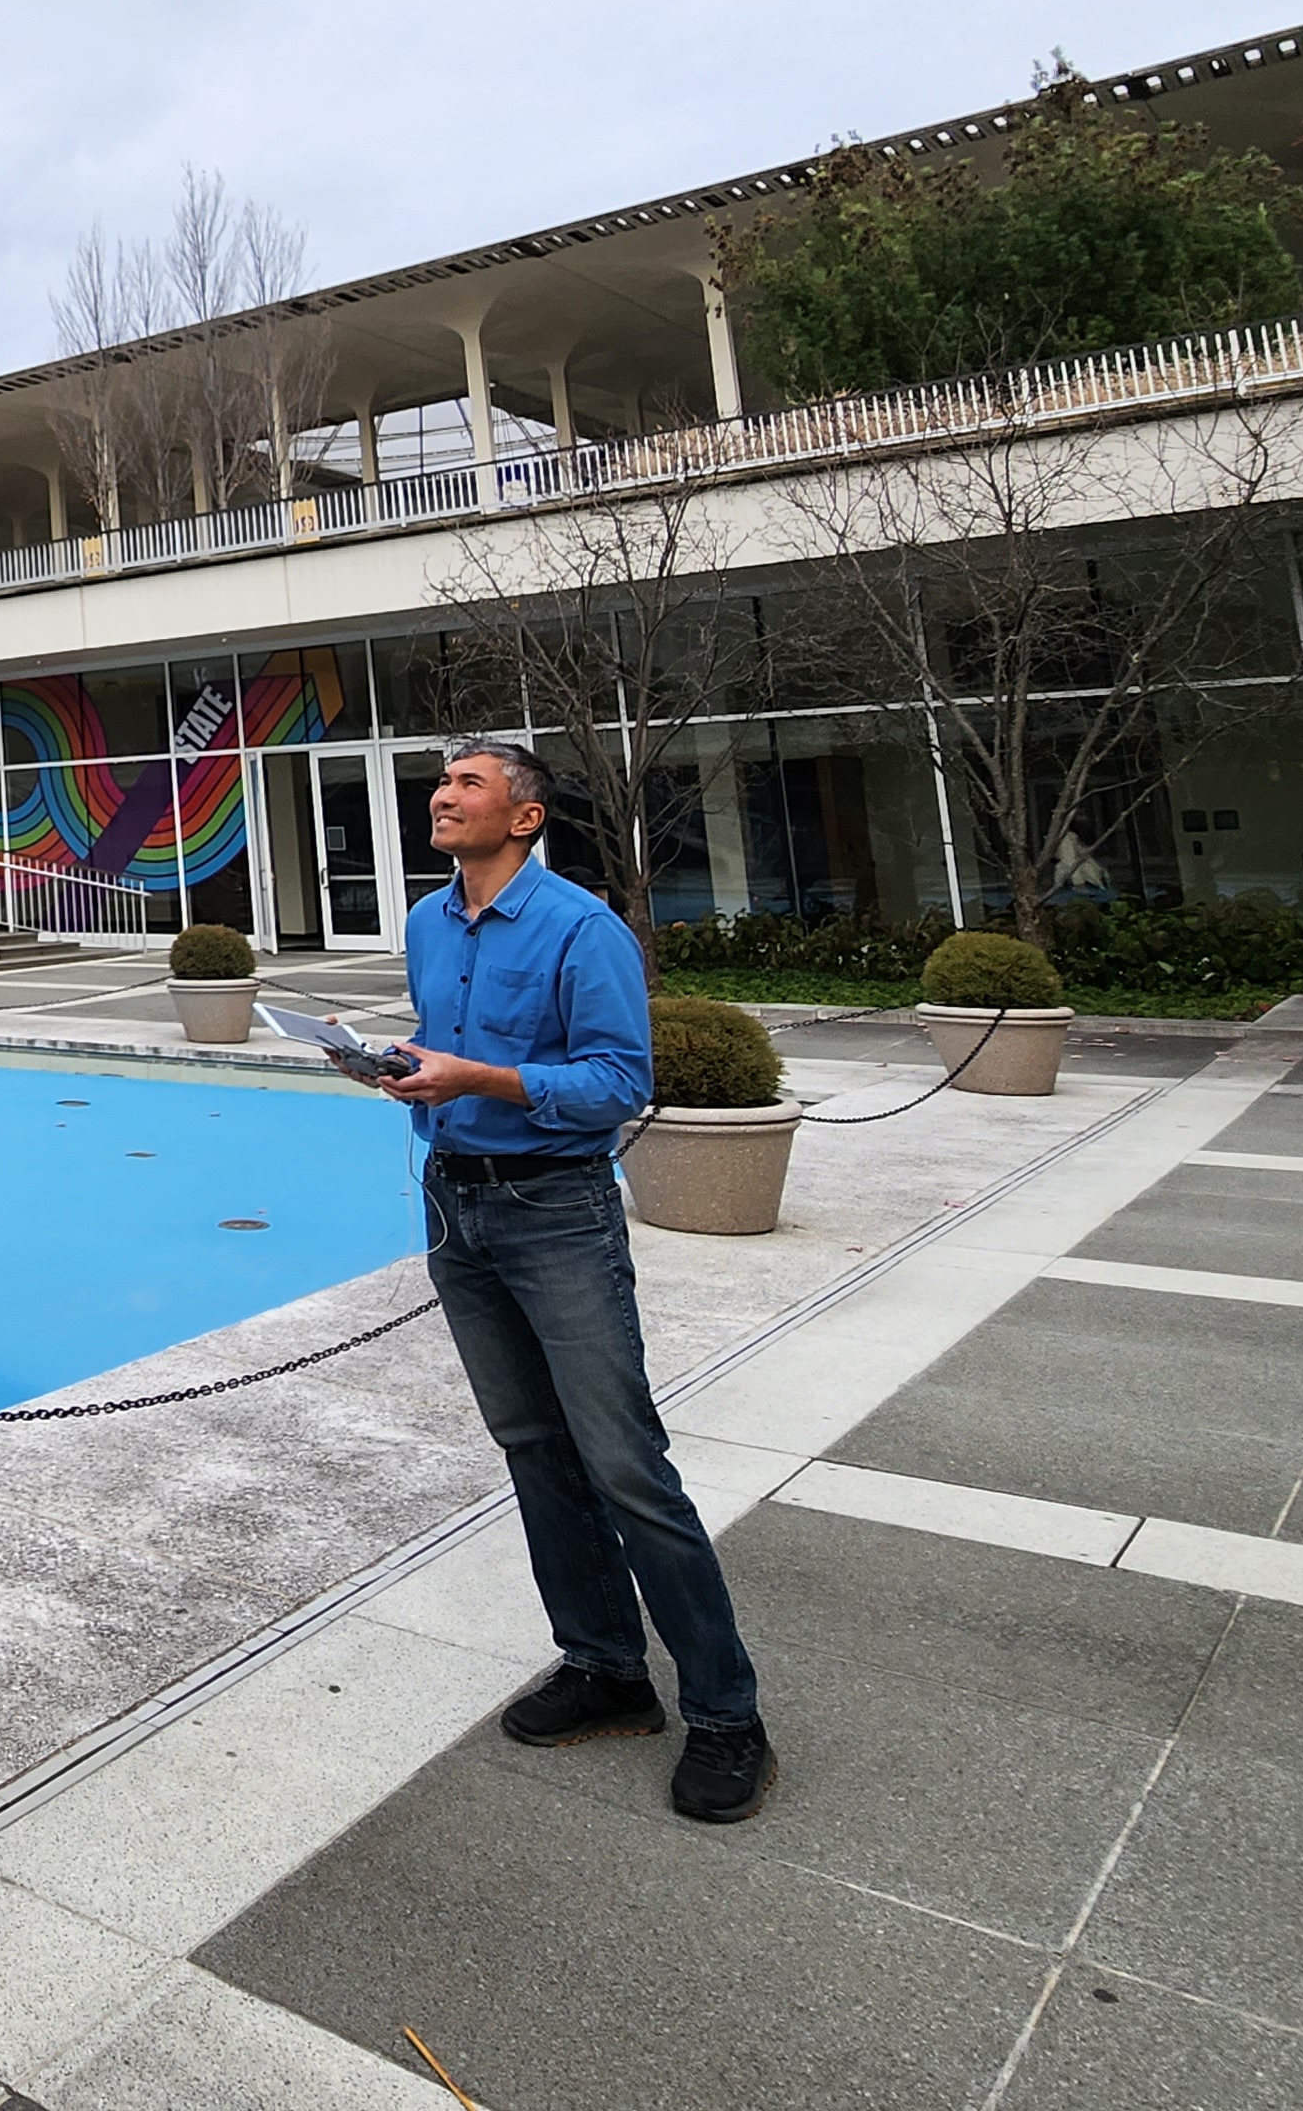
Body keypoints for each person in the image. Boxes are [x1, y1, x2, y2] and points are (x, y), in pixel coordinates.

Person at [376, 738, 774, 1824]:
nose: (441, 795)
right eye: (441, 782)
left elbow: (617, 1082)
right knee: (534, 1450)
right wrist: (413, 1076)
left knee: (623, 1463)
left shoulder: (580, 928)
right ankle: (604, 1670)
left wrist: (480, 1077)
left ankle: (730, 1718)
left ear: (525, 817)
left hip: (556, 1212)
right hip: (457, 1204)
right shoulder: (423, 922)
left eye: (466, 783)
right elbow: (445, 1052)